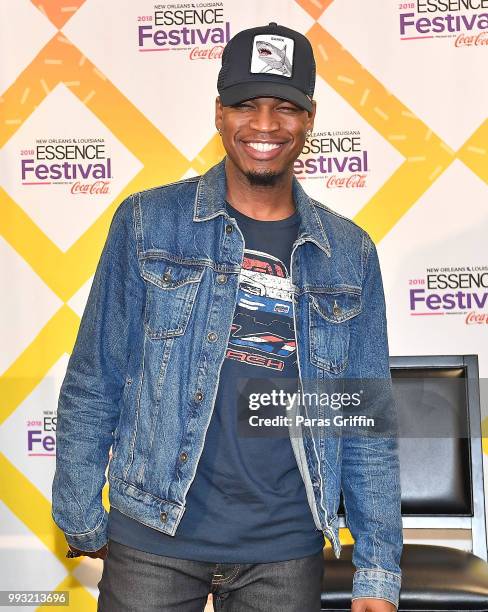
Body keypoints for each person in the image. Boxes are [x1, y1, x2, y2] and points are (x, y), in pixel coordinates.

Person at [51, 22, 403, 612]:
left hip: (283, 550)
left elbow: (363, 420)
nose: (265, 125)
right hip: (152, 537)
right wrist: (82, 515)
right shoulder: (148, 222)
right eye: (246, 104)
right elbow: (95, 380)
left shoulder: (350, 253)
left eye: (285, 107)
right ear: (219, 113)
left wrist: (377, 570)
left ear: (310, 119)